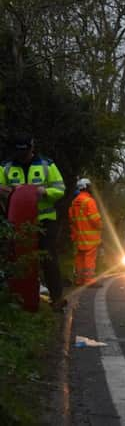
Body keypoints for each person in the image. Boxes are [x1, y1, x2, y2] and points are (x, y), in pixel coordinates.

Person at [0, 133, 67, 310]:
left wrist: (43, 192)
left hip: (44, 220)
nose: (22, 156)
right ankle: (21, 299)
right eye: (18, 152)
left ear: (32, 148)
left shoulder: (47, 165)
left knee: (48, 257)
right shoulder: (6, 167)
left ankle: (57, 298)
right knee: (18, 257)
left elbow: (60, 189)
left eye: (25, 151)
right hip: (18, 221)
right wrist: (12, 191)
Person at [68, 178, 103, 287]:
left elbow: (71, 219)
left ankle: (79, 280)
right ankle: (89, 281)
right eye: (89, 186)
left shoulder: (74, 202)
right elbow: (95, 219)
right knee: (89, 259)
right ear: (86, 187)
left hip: (79, 237)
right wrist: (102, 226)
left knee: (80, 257)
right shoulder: (89, 201)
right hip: (90, 237)